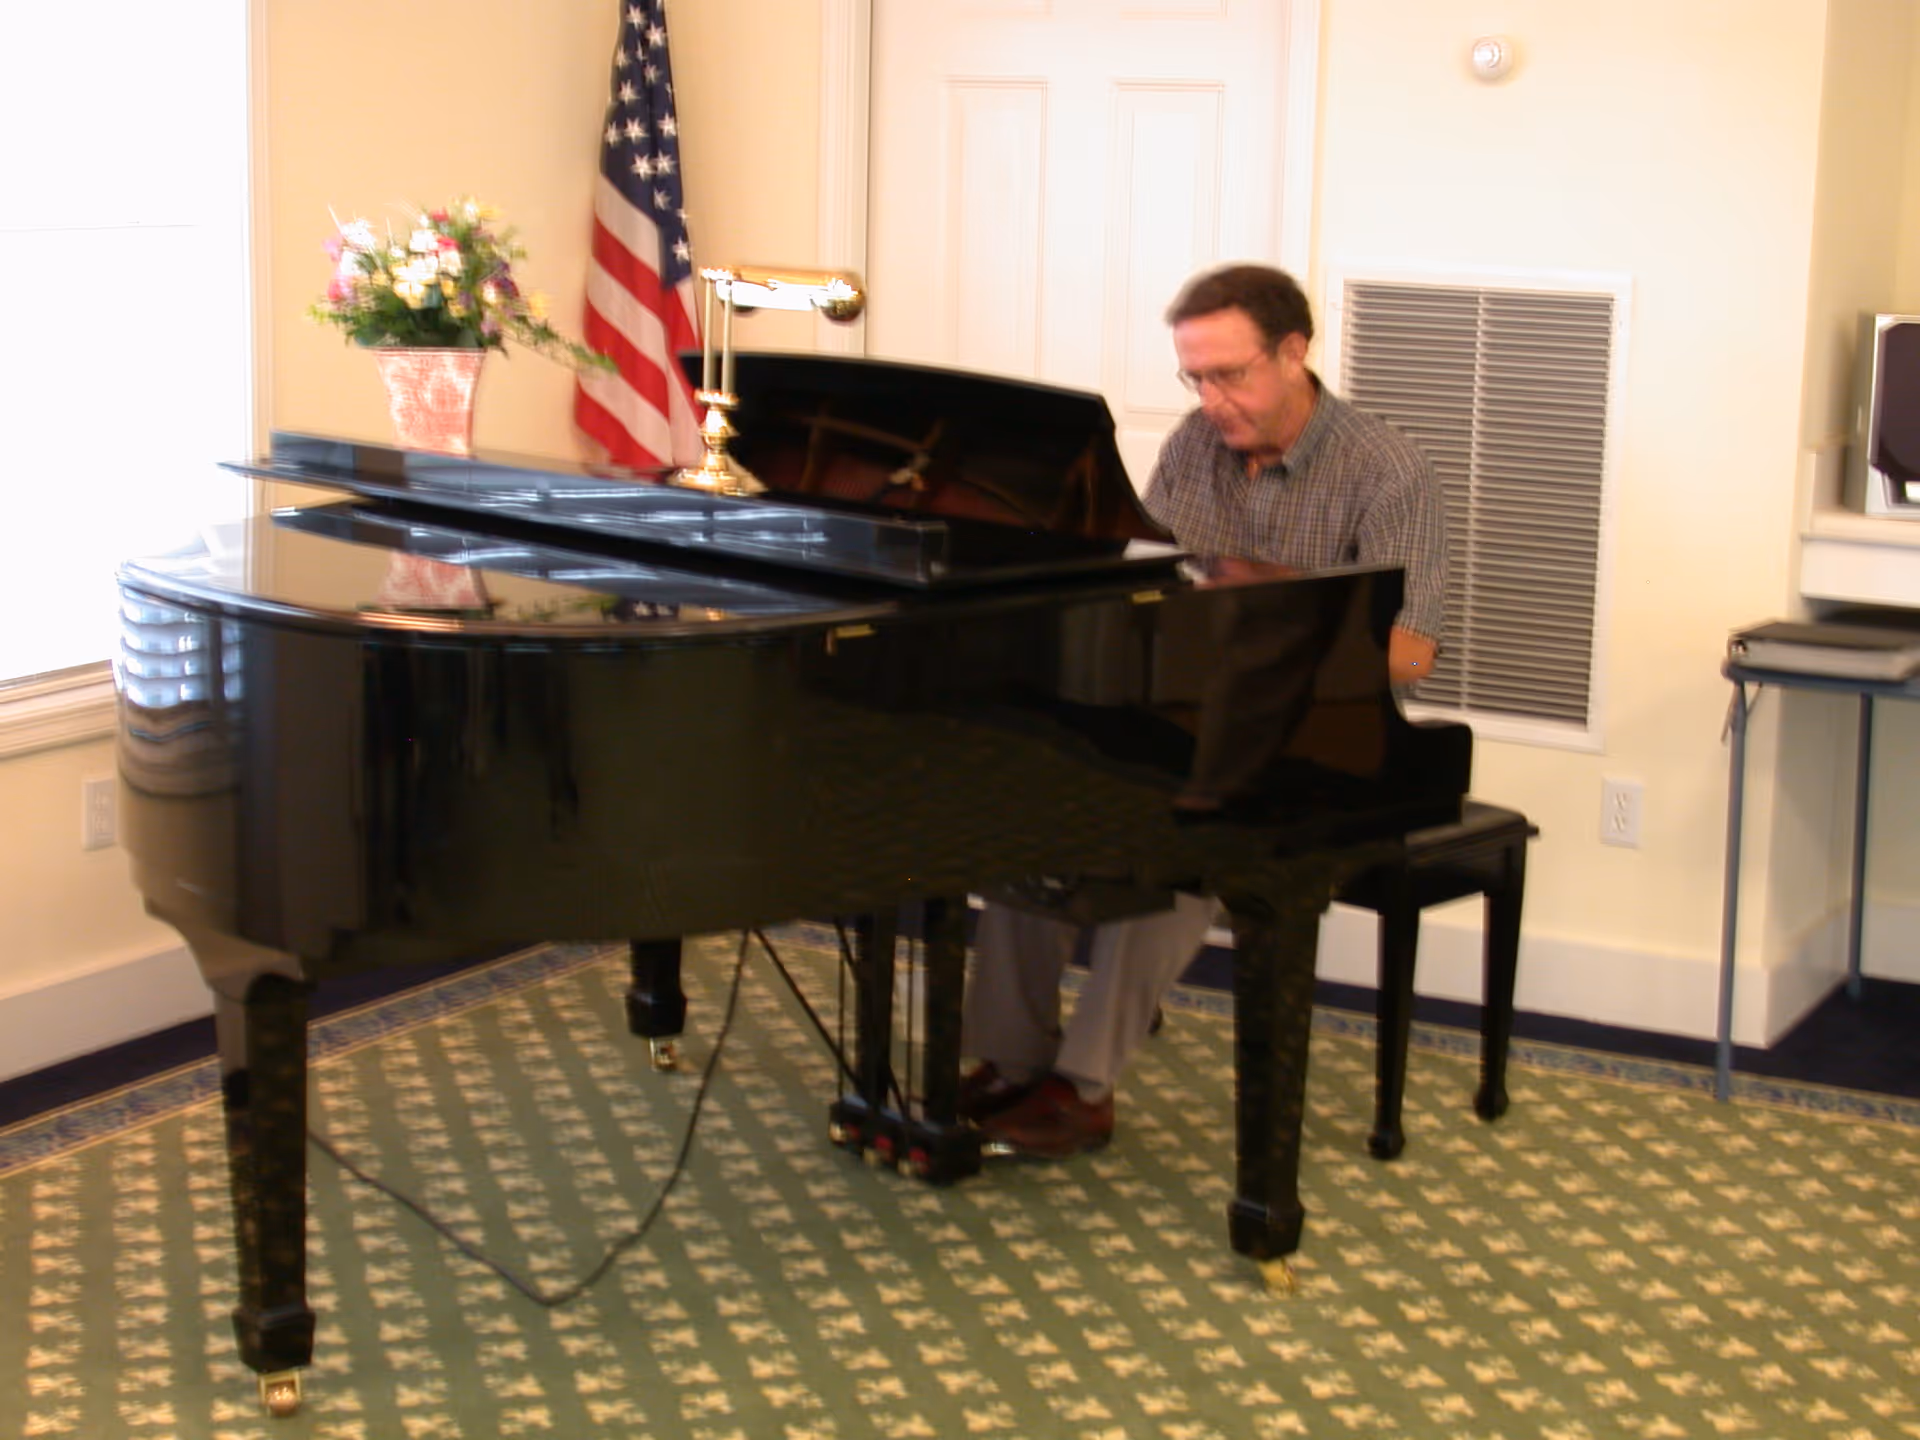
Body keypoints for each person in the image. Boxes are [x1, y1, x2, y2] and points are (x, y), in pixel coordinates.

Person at [960, 263, 1447, 1159]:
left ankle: (1084, 1085)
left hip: (1319, 747)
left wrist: (1280, 641)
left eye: (1231, 374)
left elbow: (1412, 649)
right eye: (1196, 376)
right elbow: (1148, 583)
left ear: (1293, 353)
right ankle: (1009, 1060)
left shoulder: (1385, 468)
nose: (1211, 398)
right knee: (1032, 822)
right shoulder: (1193, 445)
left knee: (1188, 847)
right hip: (1185, 722)